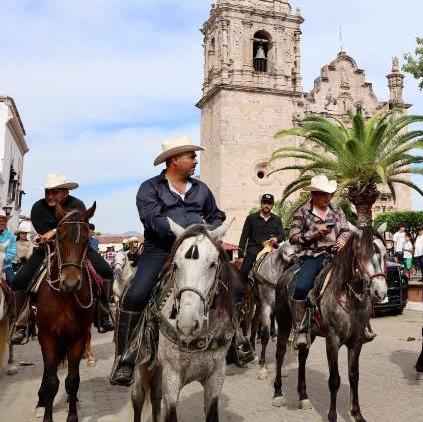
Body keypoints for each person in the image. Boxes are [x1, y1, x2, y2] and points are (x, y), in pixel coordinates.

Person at [111, 135, 247, 386]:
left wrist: (212, 229)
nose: (196, 160)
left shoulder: (201, 189)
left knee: (236, 287)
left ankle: (236, 340)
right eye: (191, 156)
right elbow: (152, 219)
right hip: (161, 251)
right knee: (136, 295)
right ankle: (126, 356)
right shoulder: (150, 188)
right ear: (174, 160)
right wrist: (186, 231)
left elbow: (216, 215)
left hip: (198, 250)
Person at [11, 174, 114, 344]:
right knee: (19, 281)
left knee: (106, 271)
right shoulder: (38, 207)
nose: (50, 196)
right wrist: (52, 232)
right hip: (47, 249)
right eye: (47, 192)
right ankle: (21, 324)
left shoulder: (77, 205)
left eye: (55, 192)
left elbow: (77, 228)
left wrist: (54, 231)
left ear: (66, 192)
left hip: (76, 248)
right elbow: (44, 235)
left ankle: (103, 313)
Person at [288, 174, 372, 350]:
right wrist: (315, 233)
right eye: (324, 194)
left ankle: (363, 325)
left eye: (330, 194)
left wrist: (342, 239)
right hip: (312, 256)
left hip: (337, 256)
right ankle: (301, 328)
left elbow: (346, 230)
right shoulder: (302, 212)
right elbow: (293, 238)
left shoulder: (337, 210)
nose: (328, 197)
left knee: (361, 278)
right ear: (314, 194)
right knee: (302, 287)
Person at [238, 193, 283, 279]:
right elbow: (244, 237)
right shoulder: (251, 218)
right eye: (265, 203)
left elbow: (281, 236)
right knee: (243, 273)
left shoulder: (277, 220)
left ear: (272, 205)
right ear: (261, 203)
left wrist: (276, 239)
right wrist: (240, 256)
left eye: (269, 203)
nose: (267, 205)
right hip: (253, 251)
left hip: (271, 251)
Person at [0, 214, 17, 282]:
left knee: (13, 281)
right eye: (0, 221)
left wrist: (2, 261)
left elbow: (11, 253)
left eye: (4, 221)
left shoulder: (11, 236)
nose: (2, 223)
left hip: (5, 266)